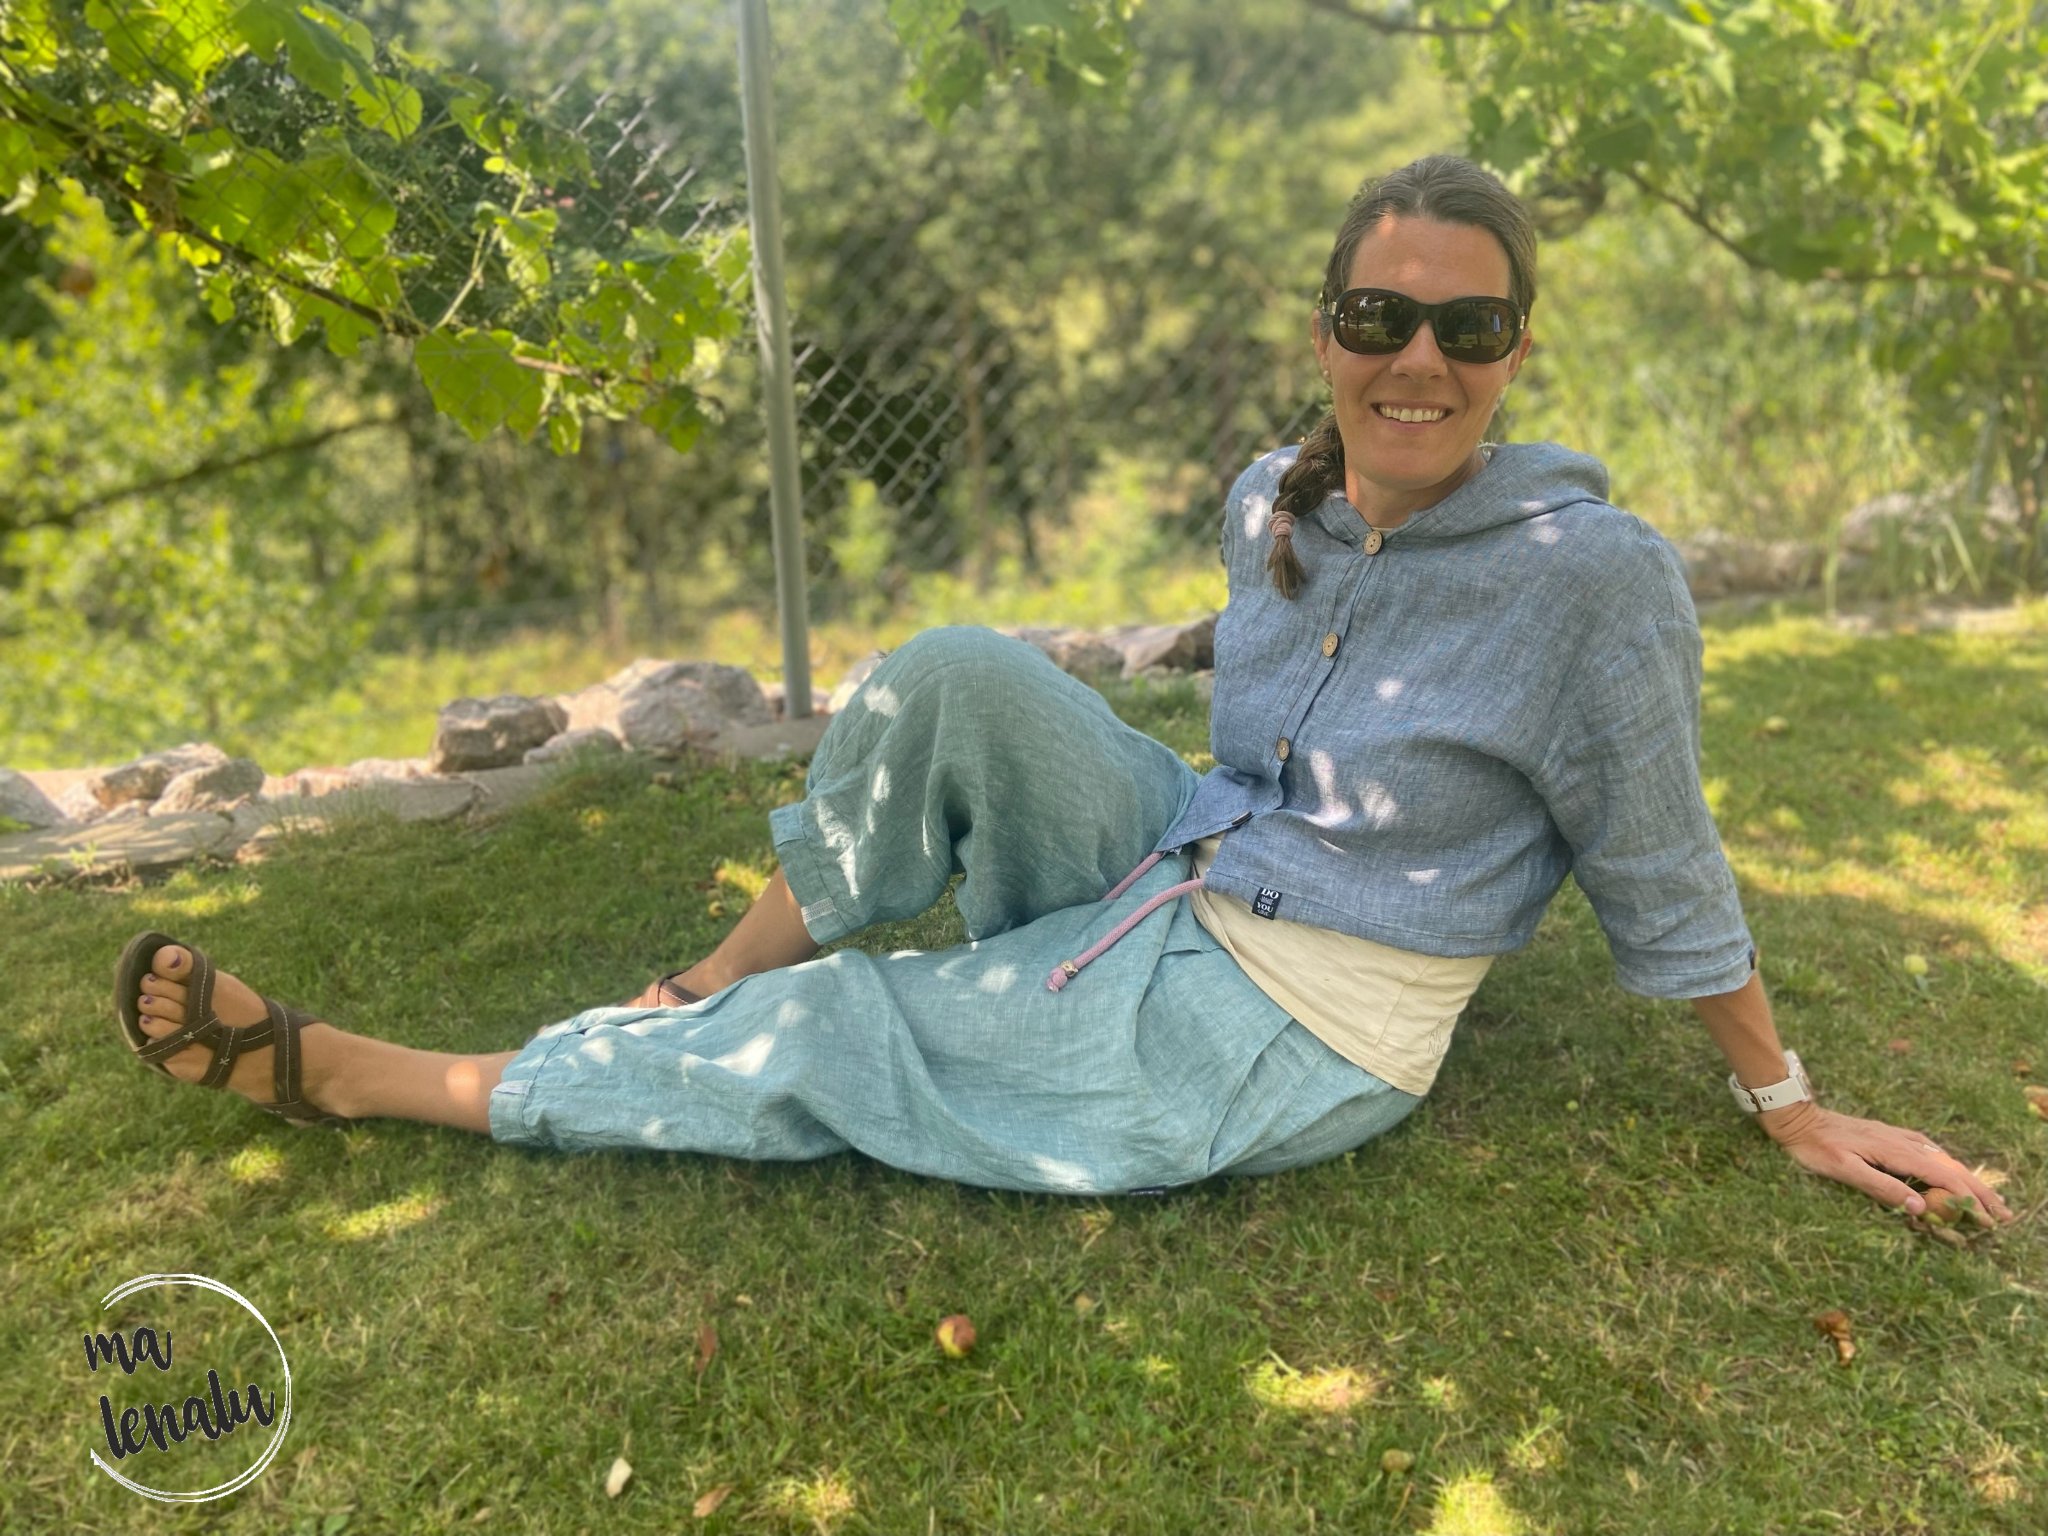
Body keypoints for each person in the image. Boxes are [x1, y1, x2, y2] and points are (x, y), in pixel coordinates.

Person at [114, 154, 2013, 1226]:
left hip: (1310, 1016)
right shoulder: (1273, 501)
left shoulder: (1594, 576)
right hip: (1191, 860)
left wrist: (1790, 1103)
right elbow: (1264, 748)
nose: (1418, 360)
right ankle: (701, 982)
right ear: (1329, 328)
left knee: (851, 1036)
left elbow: (1659, 858)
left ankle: (378, 1079)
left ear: (1518, 348)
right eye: (1380, 317)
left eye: (1469, 325)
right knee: (951, 672)